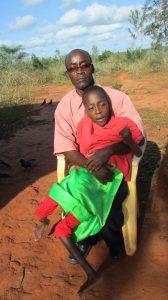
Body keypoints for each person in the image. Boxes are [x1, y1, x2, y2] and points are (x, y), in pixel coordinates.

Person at [34, 85, 143, 294]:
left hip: (114, 178)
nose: (99, 111)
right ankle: (61, 228)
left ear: (109, 104)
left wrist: (123, 141)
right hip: (89, 175)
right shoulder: (84, 126)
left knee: (102, 208)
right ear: (85, 111)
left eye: (103, 104)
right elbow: (81, 154)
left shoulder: (123, 124)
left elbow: (136, 148)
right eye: (92, 108)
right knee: (69, 192)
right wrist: (89, 169)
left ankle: (113, 244)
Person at [54, 49, 144, 264]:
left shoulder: (117, 98)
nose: (79, 72)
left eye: (84, 65)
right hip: (85, 168)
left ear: (92, 67)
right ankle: (87, 236)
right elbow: (67, 148)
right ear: (68, 74)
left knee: (109, 199)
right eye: (73, 68)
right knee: (78, 194)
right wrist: (92, 166)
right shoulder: (64, 108)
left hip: (115, 168)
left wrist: (110, 150)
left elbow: (136, 140)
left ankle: (112, 241)